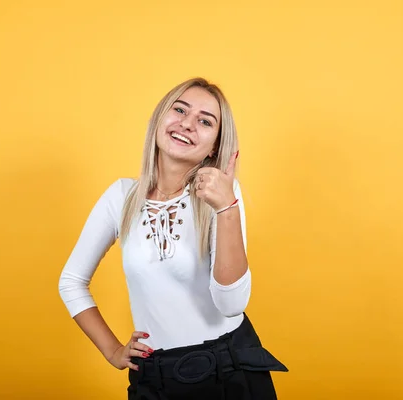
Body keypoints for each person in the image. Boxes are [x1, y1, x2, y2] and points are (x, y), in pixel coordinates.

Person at [58, 77, 288, 399]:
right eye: (180, 109)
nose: (187, 124)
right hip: (155, 378)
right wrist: (112, 351)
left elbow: (232, 304)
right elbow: (71, 281)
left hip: (228, 370)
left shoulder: (222, 196)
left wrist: (227, 208)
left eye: (205, 121)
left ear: (215, 147)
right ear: (159, 118)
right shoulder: (120, 196)